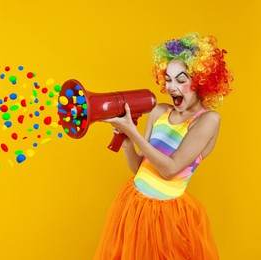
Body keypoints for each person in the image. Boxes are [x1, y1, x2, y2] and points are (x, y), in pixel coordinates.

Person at [94, 33, 233, 260]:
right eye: (168, 79)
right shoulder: (159, 111)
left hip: (167, 218)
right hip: (133, 206)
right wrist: (128, 144)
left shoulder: (207, 121)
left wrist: (133, 133)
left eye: (181, 80)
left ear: (200, 81)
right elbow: (140, 168)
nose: (172, 87)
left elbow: (170, 169)